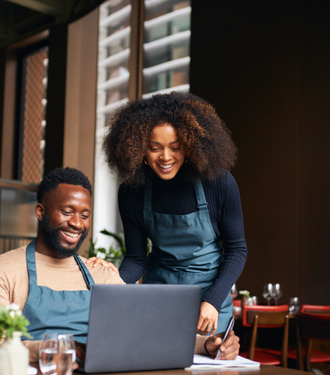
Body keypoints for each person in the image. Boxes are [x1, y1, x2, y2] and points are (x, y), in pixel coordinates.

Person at [0, 167, 239, 362]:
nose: (77, 223)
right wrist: (54, 350)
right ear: (41, 211)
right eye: (67, 212)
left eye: (85, 215)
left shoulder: (101, 274)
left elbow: (146, 334)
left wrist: (208, 345)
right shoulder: (1, 271)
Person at [91, 92, 248, 340]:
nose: (165, 157)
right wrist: (113, 281)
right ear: (139, 148)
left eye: (175, 147)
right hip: (157, 298)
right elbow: (136, 259)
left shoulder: (218, 183)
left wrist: (214, 301)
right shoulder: (132, 191)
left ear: (190, 145)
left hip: (208, 303)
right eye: (154, 148)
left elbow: (237, 249)